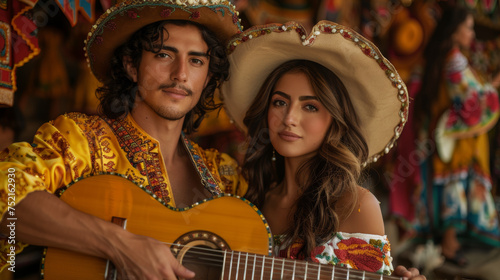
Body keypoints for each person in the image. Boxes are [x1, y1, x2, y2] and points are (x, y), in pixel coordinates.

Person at [0, 0, 246, 278]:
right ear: (131, 65)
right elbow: (5, 192)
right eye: (164, 55)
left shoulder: (224, 176)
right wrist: (119, 244)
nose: (181, 74)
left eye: (196, 60)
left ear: (208, 76)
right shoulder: (81, 140)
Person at [221, 20, 425, 279]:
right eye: (280, 102)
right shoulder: (252, 202)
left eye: (310, 107)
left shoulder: (356, 205)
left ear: (335, 122)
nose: (289, 118)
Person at [411, 6, 500, 266]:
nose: (472, 34)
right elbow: (472, 98)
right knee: (457, 187)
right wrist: (494, 87)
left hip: (447, 137)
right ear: (455, 30)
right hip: (458, 141)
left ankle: (451, 243)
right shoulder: (455, 59)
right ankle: (450, 245)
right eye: (469, 28)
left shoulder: (439, 58)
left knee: (453, 187)